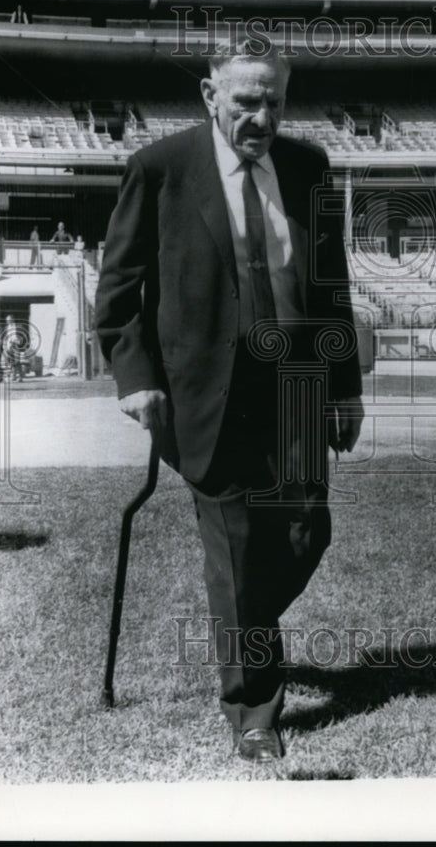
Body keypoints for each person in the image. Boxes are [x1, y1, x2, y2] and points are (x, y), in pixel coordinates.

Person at [96, 39, 364, 764]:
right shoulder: (160, 170)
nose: (261, 116)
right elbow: (118, 293)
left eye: (274, 100)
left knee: (307, 529)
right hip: (207, 393)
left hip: (301, 384)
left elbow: (331, 286)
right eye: (246, 101)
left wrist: (344, 385)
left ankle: (242, 617)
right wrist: (135, 378)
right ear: (211, 96)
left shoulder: (308, 168)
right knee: (239, 550)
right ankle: (253, 709)